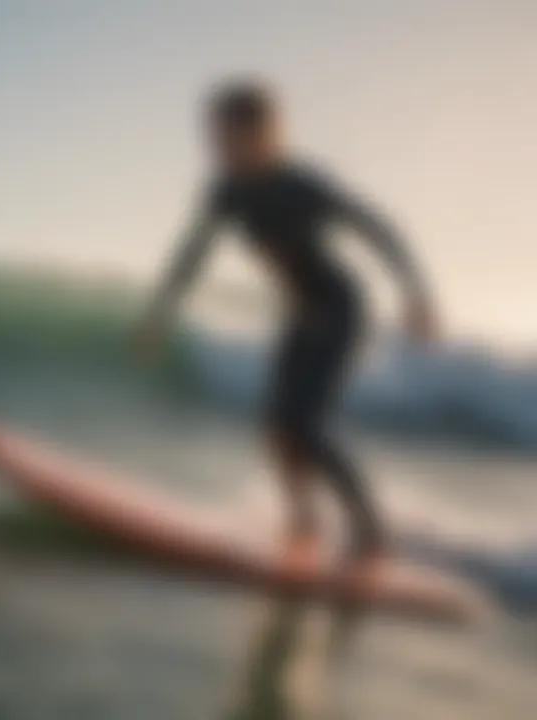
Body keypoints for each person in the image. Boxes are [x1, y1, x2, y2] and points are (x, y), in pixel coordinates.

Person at [134, 80, 437, 573]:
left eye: (227, 137)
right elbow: (192, 252)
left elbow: (377, 226)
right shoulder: (226, 190)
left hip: (341, 309)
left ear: (262, 134)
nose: (217, 147)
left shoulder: (302, 185)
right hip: (301, 312)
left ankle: (372, 531)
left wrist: (417, 295)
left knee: (308, 426)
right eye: (213, 136)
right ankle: (303, 520)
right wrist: (159, 315)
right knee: (277, 428)